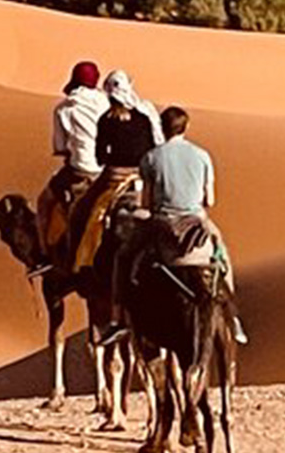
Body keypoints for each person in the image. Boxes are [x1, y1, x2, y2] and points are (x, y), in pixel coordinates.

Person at [103, 106, 247, 345]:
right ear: (185, 127)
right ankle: (232, 315)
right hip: (196, 221)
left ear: (161, 128)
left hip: (161, 222)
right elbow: (209, 200)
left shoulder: (150, 158)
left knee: (123, 257)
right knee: (222, 257)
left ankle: (118, 319)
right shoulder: (202, 156)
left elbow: (147, 203)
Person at [68, 70, 157, 272]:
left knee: (80, 211)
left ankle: (79, 264)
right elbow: (150, 149)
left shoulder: (106, 120)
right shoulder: (143, 118)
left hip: (113, 179)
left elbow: (100, 156)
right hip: (141, 179)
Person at [36, 61, 110, 270]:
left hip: (81, 171)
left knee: (44, 203)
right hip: (107, 171)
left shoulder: (64, 108)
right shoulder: (107, 103)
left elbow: (60, 146)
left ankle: (43, 255)